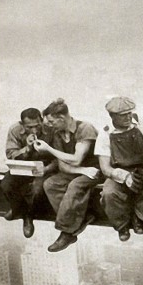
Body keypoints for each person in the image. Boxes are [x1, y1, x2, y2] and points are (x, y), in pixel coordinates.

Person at [95, 96, 143, 242]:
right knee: (108, 193)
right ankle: (122, 225)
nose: (128, 117)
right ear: (112, 116)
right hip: (119, 171)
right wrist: (124, 177)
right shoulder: (105, 133)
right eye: (123, 115)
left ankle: (140, 218)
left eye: (129, 113)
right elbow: (105, 167)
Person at [34, 99, 101, 252]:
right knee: (50, 184)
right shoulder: (58, 133)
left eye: (52, 122)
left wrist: (49, 149)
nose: (50, 125)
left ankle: (67, 232)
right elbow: (63, 165)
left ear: (62, 118)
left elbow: (77, 159)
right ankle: (81, 218)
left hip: (96, 170)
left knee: (75, 186)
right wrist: (81, 171)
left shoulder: (85, 128)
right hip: (81, 171)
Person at [1, 107, 57, 238]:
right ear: (22, 124)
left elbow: (58, 157)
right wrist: (27, 148)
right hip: (22, 166)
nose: (34, 130)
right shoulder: (14, 130)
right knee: (6, 185)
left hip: (44, 167)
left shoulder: (51, 130)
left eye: (37, 126)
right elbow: (11, 154)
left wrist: (46, 169)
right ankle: (17, 209)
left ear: (42, 120)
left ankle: (28, 216)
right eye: (29, 127)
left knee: (37, 190)